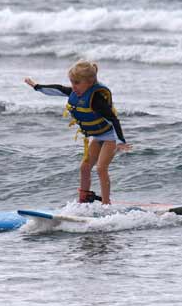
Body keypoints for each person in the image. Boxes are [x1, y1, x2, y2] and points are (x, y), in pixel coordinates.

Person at [25, 60, 131, 204]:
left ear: (90, 82)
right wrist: (37, 86)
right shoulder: (76, 92)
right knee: (85, 167)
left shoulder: (96, 100)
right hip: (98, 136)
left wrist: (121, 141)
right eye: (72, 82)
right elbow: (58, 89)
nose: (73, 87)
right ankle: (84, 199)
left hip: (110, 137)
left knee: (101, 168)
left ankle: (106, 204)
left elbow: (113, 119)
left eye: (77, 83)